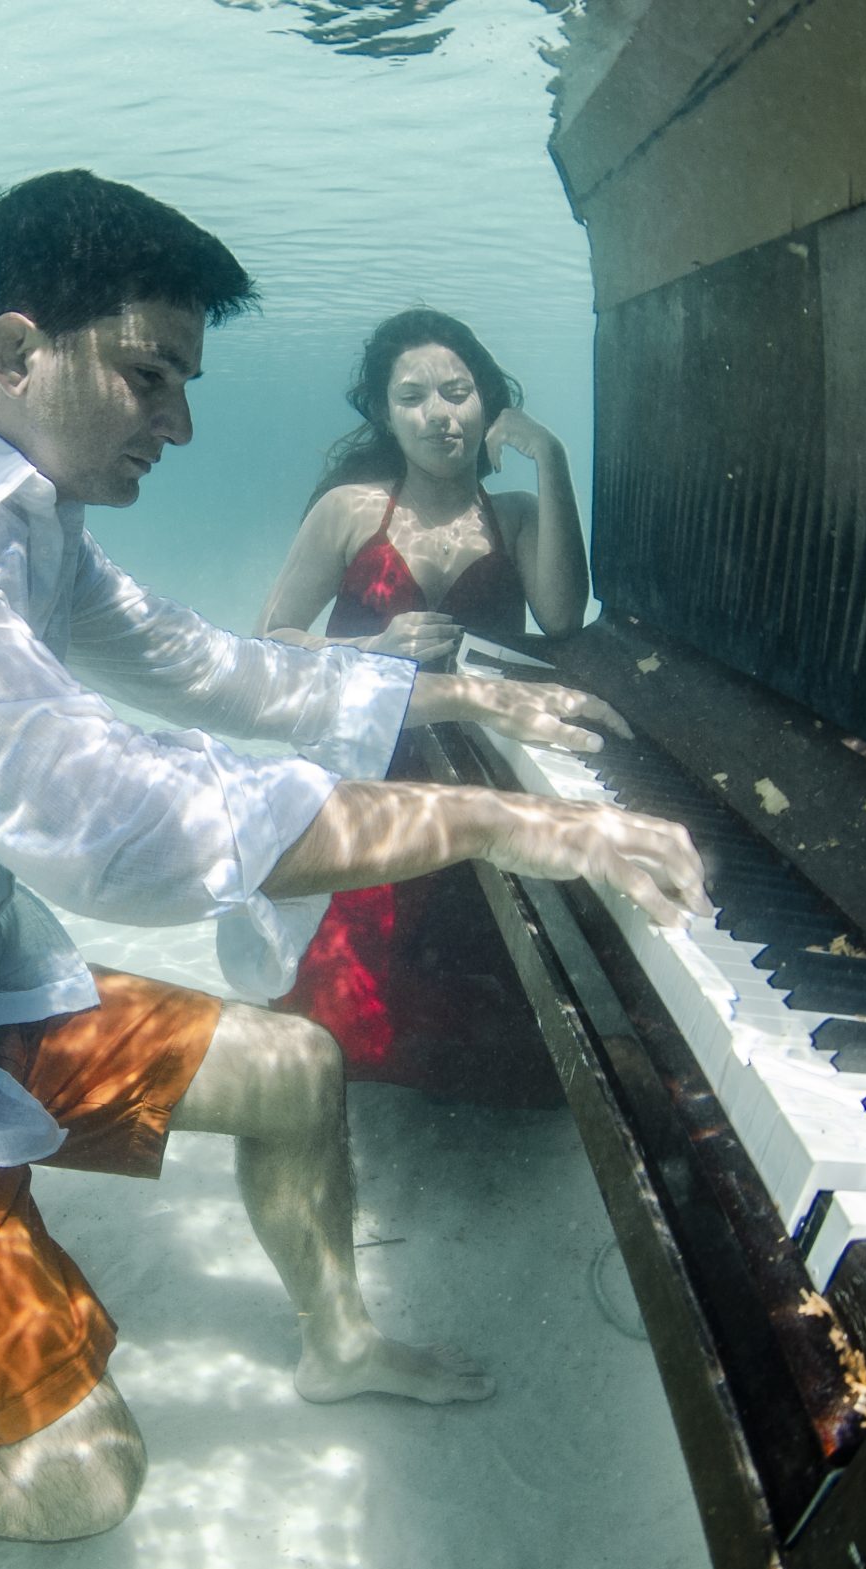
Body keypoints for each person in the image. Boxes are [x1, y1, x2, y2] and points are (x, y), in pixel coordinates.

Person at [0, 172, 702, 1569]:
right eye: (152, 376)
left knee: (296, 1069)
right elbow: (96, 817)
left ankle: (339, 1347)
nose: (183, 423)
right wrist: (501, 825)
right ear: (18, 350)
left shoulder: (18, 513)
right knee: (84, 1483)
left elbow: (207, 664)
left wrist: (449, 697)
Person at [256, 309, 591, 1104]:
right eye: (412, 398)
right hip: (370, 770)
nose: (439, 414)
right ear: (384, 415)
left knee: (510, 1043)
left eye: (457, 391)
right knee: (349, 1021)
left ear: (489, 403)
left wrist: (551, 455)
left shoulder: (514, 516)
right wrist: (372, 651)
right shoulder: (350, 510)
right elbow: (272, 639)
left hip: (482, 772)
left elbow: (565, 617)